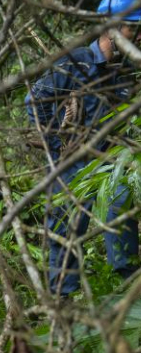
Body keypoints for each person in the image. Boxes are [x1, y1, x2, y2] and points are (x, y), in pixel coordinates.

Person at [27, 0, 140, 297]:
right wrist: (58, 149)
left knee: (122, 232)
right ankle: (64, 310)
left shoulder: (129, 72)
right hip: (72, 166)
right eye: (134, 28)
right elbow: (34, 104)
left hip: (113, 165)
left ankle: (130, 305)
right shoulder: (76, 62)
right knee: (63, 240)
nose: (139, 36)